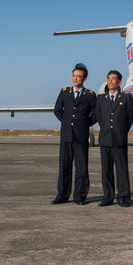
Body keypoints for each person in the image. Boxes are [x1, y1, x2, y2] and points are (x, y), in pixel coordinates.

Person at [52, 63, 97, 205]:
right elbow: (57, 110)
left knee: (81, 168)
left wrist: (84, 124)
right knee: (64, 167)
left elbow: (95, 114)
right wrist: (65, 123)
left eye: (79, 77)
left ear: (84, 79)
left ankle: (80, 196)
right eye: (74, 76)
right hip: (66, 135)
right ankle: (62, 195)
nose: (75, 79)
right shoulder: (64, 92)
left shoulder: (90, 95)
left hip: (81, 136)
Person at [92, 70, 133, 207]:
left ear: (119, 82)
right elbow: (99, 117)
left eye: (113, 79)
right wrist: (107, 129)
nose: (110, 81)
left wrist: (121, 131)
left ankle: (123, 197)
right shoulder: (101, 99)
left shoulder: (126, 98)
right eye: (108, 79)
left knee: (122, 169)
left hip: (119, 138)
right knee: (106, 170)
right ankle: (108, 197)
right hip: (105, 138)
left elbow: (130, 117)